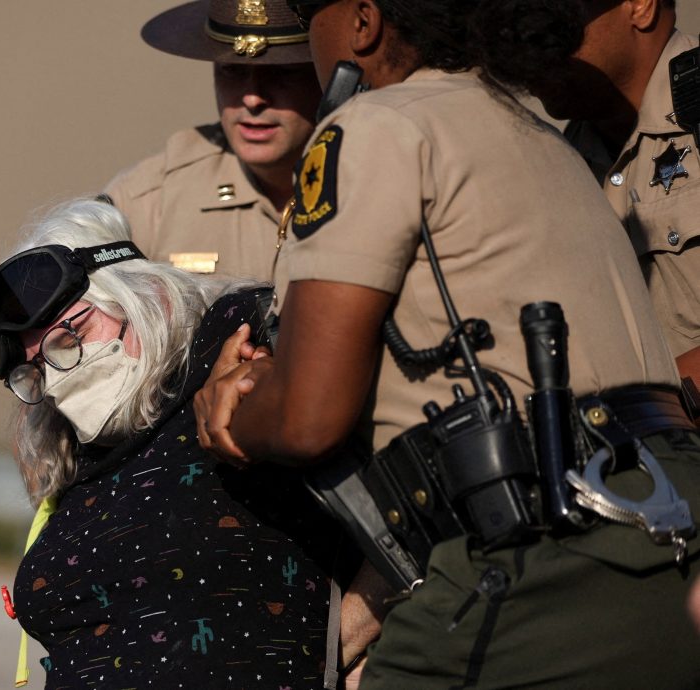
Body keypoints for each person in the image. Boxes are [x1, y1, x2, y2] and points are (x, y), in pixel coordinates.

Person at [193, 0, 700, 687]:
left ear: (362, 24)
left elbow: (307, 420)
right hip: (668, 542)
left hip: (532, 563)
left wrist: (234, 407)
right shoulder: (540, 133)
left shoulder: (375, 126)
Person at [0, 198, 335, 688]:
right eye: (35, 370)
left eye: (68, 337)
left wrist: (363, 626)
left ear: (146, 296)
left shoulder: (235, 339)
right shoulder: (77, 458)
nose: (57, 379)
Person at [529, 0, 700, 420]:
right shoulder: (554, 162)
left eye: (557, 22)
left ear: (640, 6)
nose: (532, 47)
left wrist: (652, 413)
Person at [102, 0, 322, 281]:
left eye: (282, 73)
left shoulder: (366, 184)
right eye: (232, 71)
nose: (253, 98)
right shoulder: (148, 200)